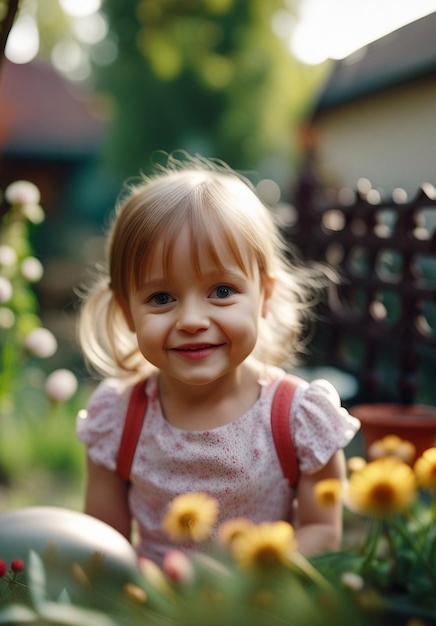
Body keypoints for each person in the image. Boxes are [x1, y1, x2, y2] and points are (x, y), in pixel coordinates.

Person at [76, 153, 359, 565]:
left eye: (222, 291)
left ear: (263, 294)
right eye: (161, 298)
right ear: (125, 311)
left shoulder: (297, 418)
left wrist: (249, 581)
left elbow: (322, 529)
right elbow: (103, 546)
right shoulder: (118, 419)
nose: (192, 320)